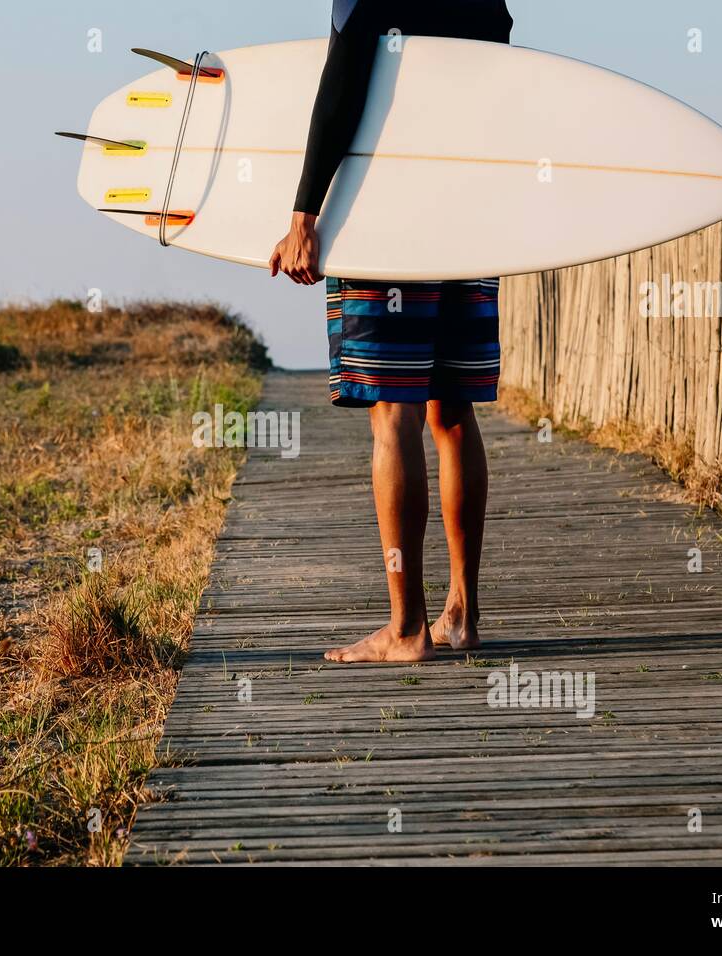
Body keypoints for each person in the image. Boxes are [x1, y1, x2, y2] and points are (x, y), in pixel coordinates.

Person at [269, 0, 513, 663]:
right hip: (464, 210)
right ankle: (462, 612)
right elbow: (498, 78)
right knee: (453, 412)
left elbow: (343, 83)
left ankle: (406, 629)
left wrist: (303, 213)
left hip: (386, 215)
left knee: (393, 414)